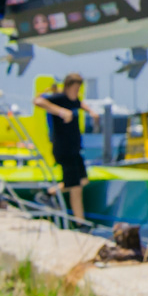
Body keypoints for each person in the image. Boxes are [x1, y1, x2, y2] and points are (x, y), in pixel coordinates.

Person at [33, 73, 99, 223]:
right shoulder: (59, 99)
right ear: (68, 86)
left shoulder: (74, 100)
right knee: (75, 187)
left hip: (75, 149)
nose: (77, 91)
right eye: (75, 88)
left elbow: (80, 104)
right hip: (64, 149)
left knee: (83, 181)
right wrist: (60, 111)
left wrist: (91, 112)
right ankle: (80, 222)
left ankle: (49, 194)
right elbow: (37, 100)